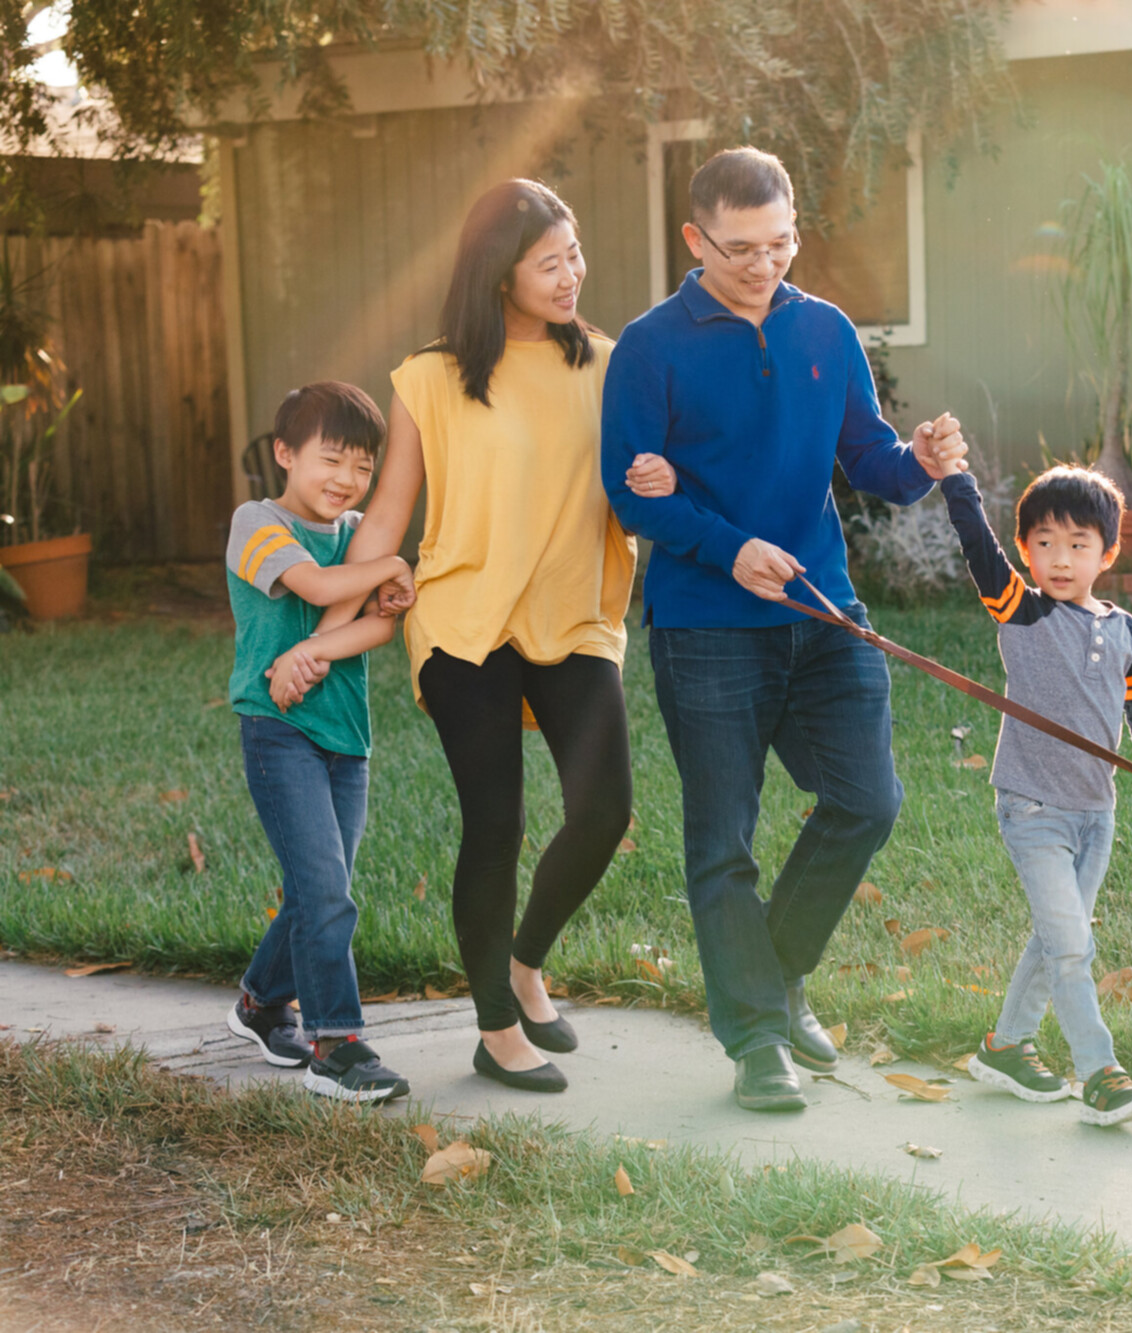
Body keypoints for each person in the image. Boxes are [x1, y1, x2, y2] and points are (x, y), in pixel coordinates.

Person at [600, 146, 967, 1112]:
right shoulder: (649, 347)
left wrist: (921, 461)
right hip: (707, 625)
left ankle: (770, 972)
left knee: (867, 800)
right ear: (695, 239)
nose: (765, 264)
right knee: (723, 838)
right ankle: (759, 1037)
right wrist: (731, 550)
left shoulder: (826, 329)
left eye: (781, 243)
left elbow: (872, 463)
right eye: (742, 249)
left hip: (823, 608)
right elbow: (629, 493)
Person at [313, 179, 649, 1093]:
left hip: (574, 615)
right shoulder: (430, 377)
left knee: (604, 811)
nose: (572, 275)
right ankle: (496, 1029)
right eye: (549, 264)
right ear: (500, 275)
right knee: (496, 821)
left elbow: (641, 487)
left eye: (574, 255)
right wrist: (324, 636)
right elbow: (388, 519)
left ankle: (524, 962)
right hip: (465, 622)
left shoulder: (607, 364)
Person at [939, 462, 1132, 1127]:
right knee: (1072, 944)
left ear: (1108, 553)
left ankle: (1005, 1047)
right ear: (1025, 551)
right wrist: (956, 480)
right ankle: (1100, 1073)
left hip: (1096, 814)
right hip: (1032, 806)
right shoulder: (1025, 611)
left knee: (1058, 938)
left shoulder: (1126, 631)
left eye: (1078, 544)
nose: (1061, 559)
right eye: (1044, 543)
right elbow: (978, 547)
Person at [223, 381, 413, 1104]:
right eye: (331, 460)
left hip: (347, 737)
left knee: (319, 890)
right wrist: (389, 567)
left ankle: (260, 1002)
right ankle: (336, 1044)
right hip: (278, 732)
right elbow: (316, 586)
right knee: (326, 890)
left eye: (363, 466)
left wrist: (311, 653)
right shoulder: (257, 521)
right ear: (285, 454)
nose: (347, 479)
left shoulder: (358, 532)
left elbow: (380, 625)